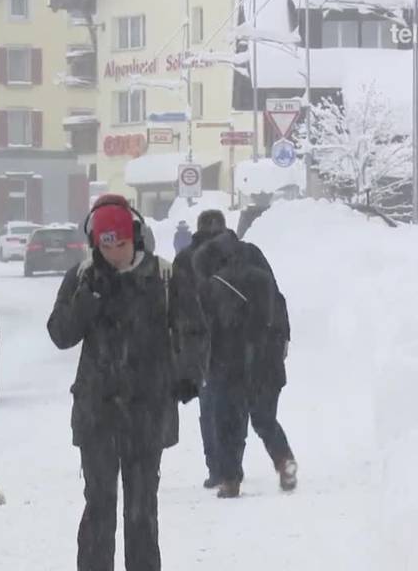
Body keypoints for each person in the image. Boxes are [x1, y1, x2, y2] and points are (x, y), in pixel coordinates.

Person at [47, 194, 195, 571]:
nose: (115, 253)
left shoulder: (163, 276)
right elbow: (61, 333)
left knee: (141, 511)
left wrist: (189, 373)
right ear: (95, 242)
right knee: (99, 506)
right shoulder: (82, 277)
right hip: (97, 414)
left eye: (122, 243)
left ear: (136, 236)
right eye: (106, 244)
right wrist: (89, 297)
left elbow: (192, 329)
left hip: (148, 413)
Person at [190, 210, 297, 498]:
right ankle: (283, 460)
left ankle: (230, 480)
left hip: (229, 358)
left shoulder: (208, 274)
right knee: (263, 417)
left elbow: (204, 323)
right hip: (266, 354)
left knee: (228, 419)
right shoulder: (254, 257)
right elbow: (279, 300)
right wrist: (282, 338)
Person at [168, 210, 224, 490]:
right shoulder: (237, 253)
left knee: (210, 405)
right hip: (232, 338)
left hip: (197, 341)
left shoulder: (185, 259)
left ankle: (217, 467)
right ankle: (230, 464)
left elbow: (174, 303)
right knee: (230, 405)